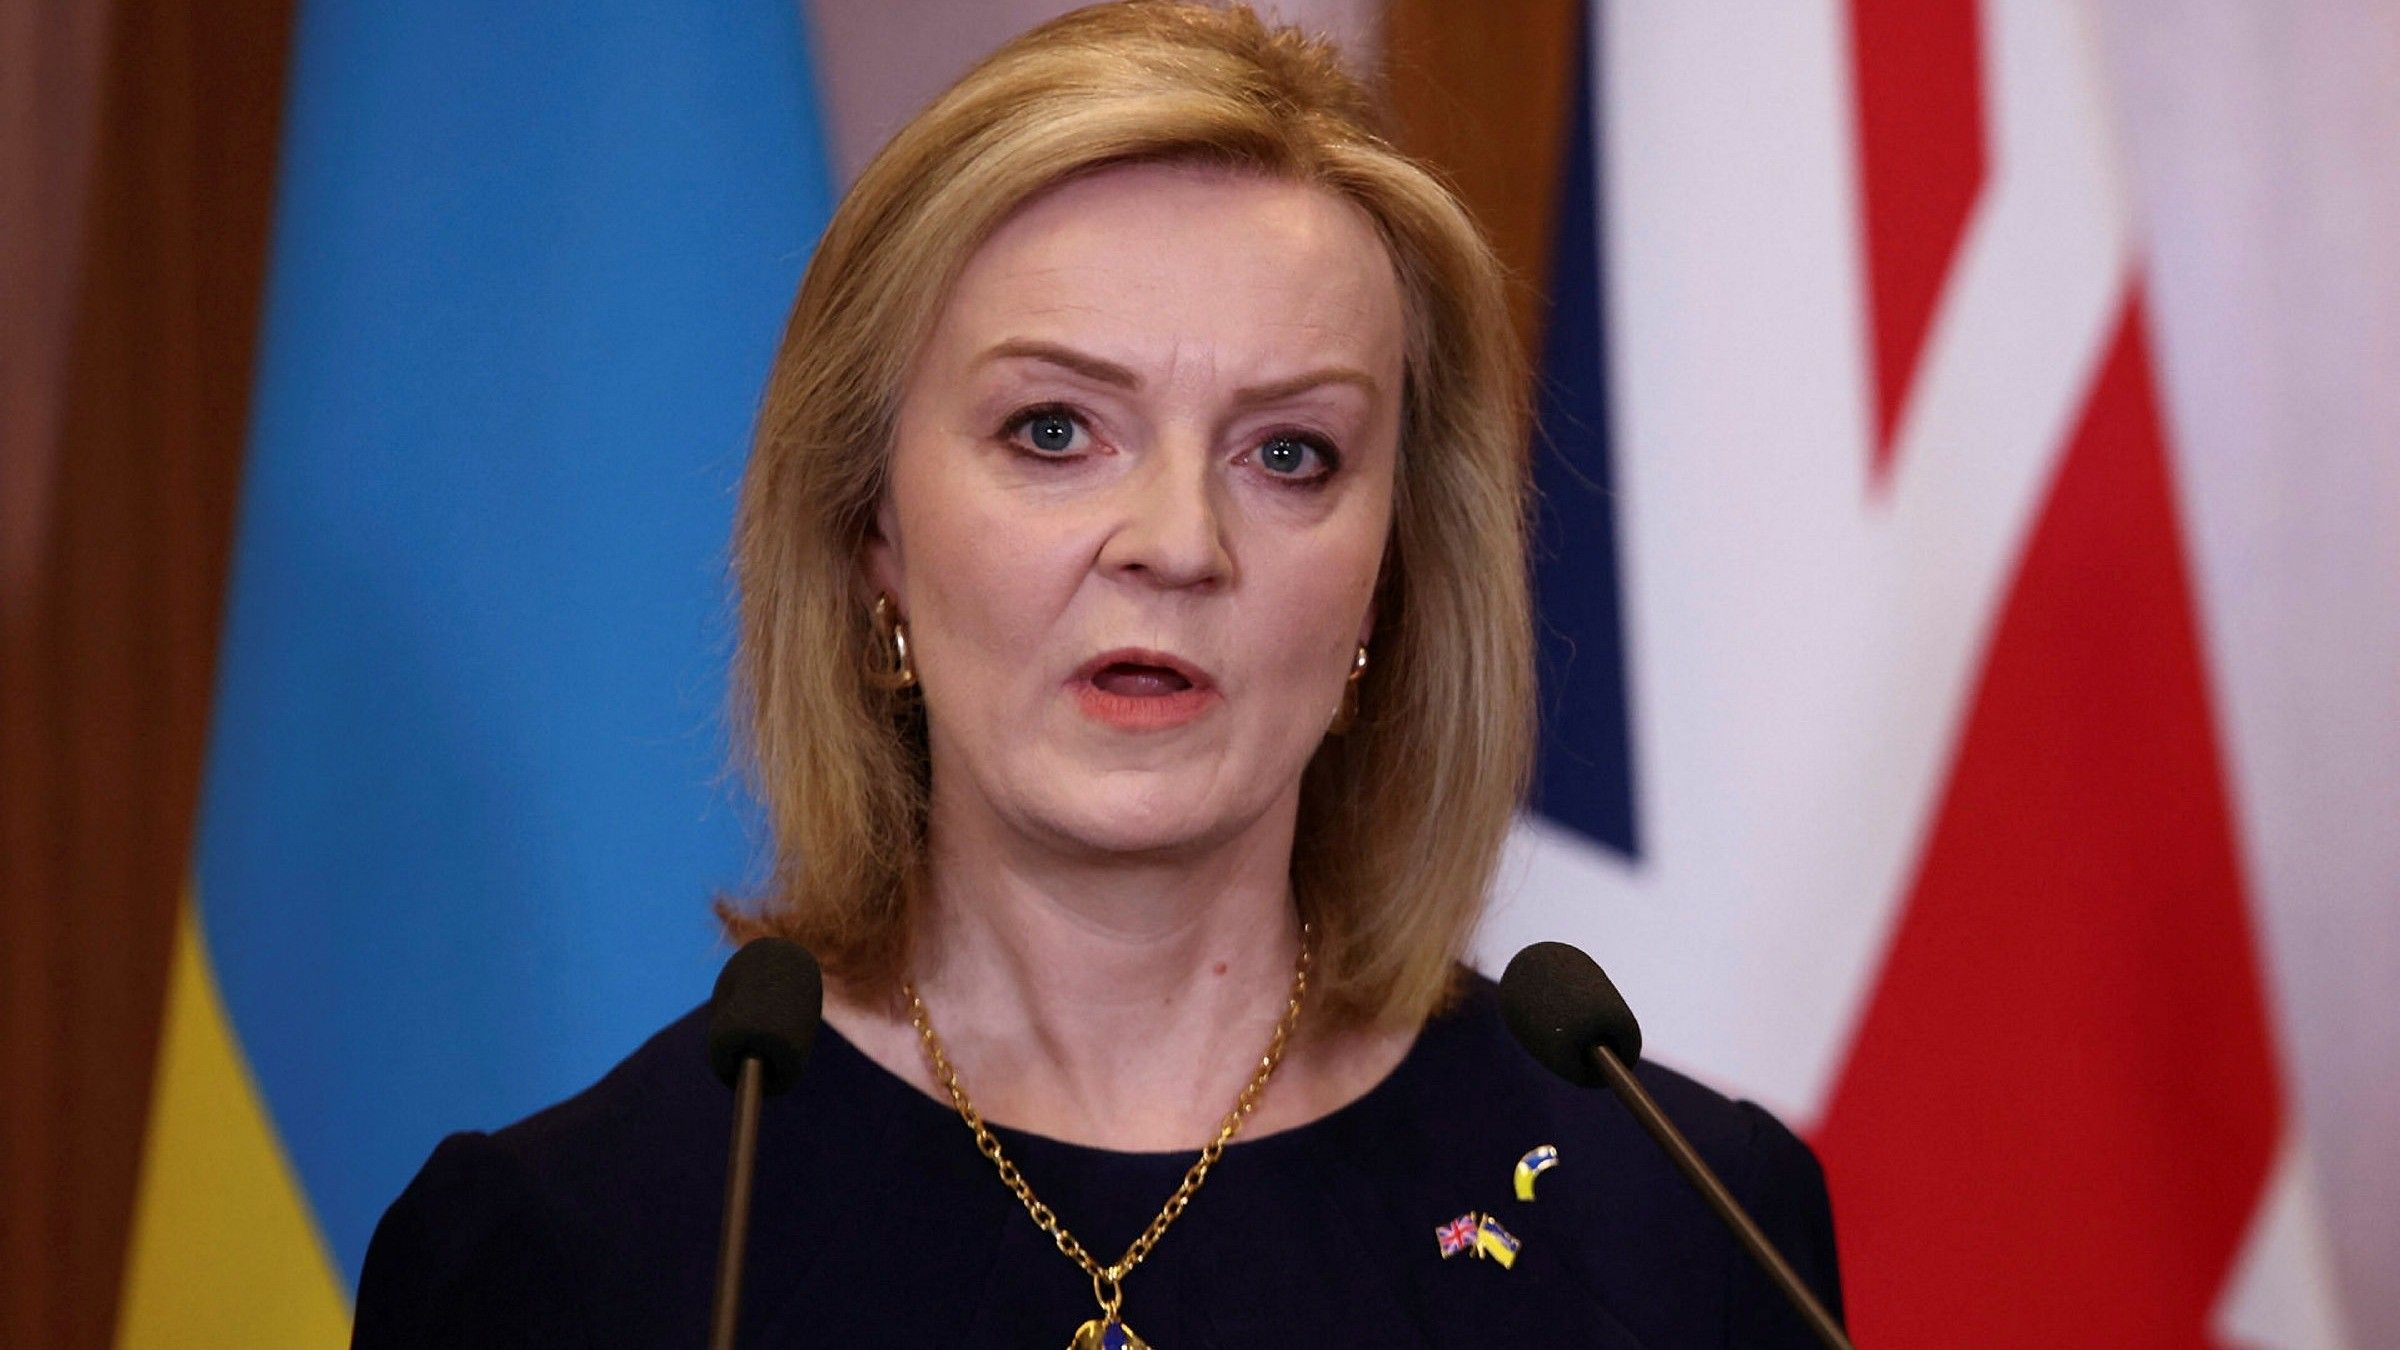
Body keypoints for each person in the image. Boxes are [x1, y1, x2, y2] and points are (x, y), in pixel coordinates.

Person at [352, 3, 1843, 1345]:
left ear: (1394, 572)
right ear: (871, 529)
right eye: (1055, 430)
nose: (1177, 543)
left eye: (1289, 452)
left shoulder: (1681, 1234)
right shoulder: (572, 1260)